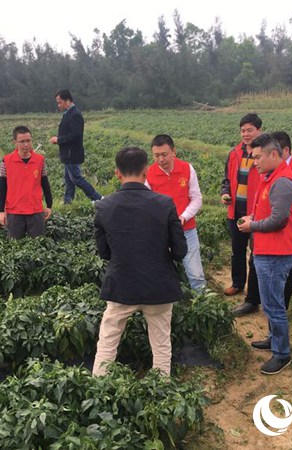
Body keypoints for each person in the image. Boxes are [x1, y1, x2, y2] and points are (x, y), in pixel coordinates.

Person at [92, 146, 188, 376]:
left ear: (117, 173)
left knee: (107, 341)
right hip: (158, 285)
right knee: (161, 343)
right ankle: (160, 390)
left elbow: (103, 252)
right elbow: (180, 251)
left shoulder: (104, 206)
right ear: (146, 171)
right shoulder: (164, 204)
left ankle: (98, 388)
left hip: (121, 285)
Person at [233, 131, 292, 316]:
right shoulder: (270, 173)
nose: (256, 162)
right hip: (265, 233)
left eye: (259, 157)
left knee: (281, 276)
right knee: (257, 264)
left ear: (280, 151)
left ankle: (277, 317)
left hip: (281, 236)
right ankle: (255, 301)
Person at [237, 134, 292, 374]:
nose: (254, 162)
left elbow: (279, 219)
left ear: (273, 154)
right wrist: (253, 219)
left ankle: (282, 354)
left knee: (273, 305)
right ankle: (274, 340)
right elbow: (269, 211)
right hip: (267, 250)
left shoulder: (283, 181)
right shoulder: (270, 177)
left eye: (257, 157)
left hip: (276, 253)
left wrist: (252, 226)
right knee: (269, 302)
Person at [146, 134, 207, 291]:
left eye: (164, 154)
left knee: (196, 274)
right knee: (161, 272)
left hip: (186, 229)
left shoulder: (187, 168)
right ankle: (169, 304)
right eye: (156, 155)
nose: (161, 159)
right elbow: (146, 204)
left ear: (174, 151)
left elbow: (196, 199)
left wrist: (183, 217)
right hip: (160, 232)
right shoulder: (149, 174)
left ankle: (201, 303)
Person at [220, 113, 262, 308]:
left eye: (249, 130)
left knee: (255, 255)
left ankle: (252, 298)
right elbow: (226, 180)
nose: (245, 134)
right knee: (237, 251)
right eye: (243, 130)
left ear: (258, 131)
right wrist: (225, 192)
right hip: (235, 212)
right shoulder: (234, 153)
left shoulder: (263, 154)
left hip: (256, 215)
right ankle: (237, 283)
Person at [0, 125, 52, 239]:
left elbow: (45, 185)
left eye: (28, 140)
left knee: (38, 245)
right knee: (16, 247)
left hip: (36, 210)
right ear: (15, 142)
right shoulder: (6, 161)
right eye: (22, 141)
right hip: (14, 211)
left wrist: (49, 205)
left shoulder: (39, 160)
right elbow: (2, 188)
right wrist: (1, 211)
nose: (26, 144)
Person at [49, 89, 103, 205]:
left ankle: (97, 198)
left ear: (67, 101)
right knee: (69, 179)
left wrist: (59, 140)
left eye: (60, 102)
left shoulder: (75, 115)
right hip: (68, 153)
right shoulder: (68, 113)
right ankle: (68, 202)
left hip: (72, 153)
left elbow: (75, 135)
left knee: (76, 178)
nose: (58, 105)